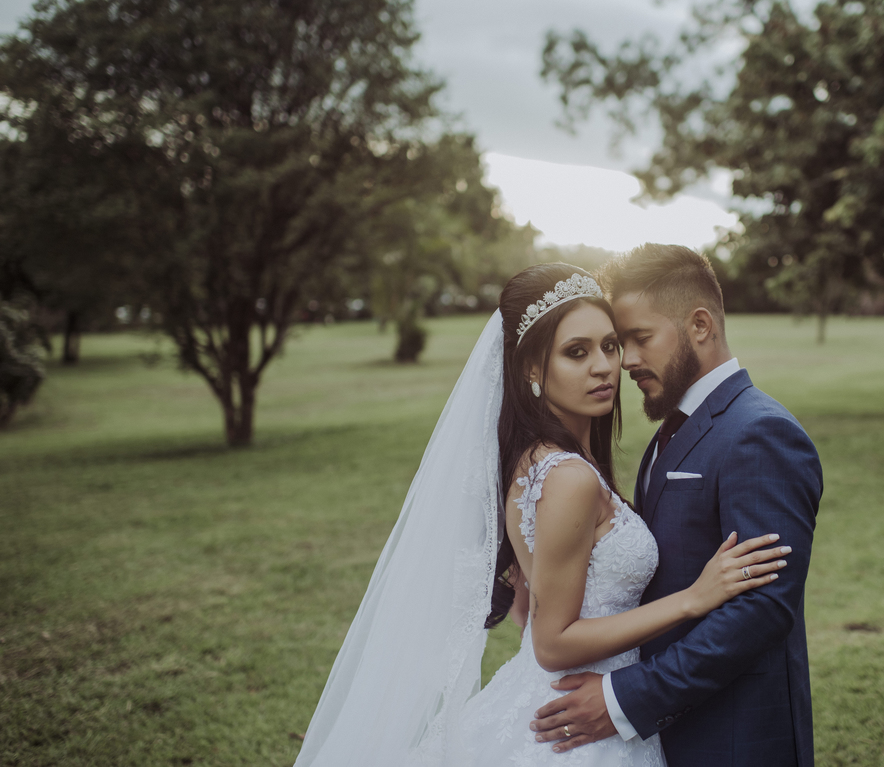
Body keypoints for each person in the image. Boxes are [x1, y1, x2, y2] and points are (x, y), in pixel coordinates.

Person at [293, 263, 789, 767]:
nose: (605, 366)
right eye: (577, 352)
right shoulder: (567, 477)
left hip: (560, 703)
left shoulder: (535, 459)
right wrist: (693, 600)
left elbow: (538, 599)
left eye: (609, 345)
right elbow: (553, 643)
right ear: (531, 369)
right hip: (575, 727)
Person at [528, 245, 823, 767]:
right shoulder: (668, 432)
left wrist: (626, 697)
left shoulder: (761, 433)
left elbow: (763, 608)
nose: (626, 362)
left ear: (701, 325)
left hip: (735, 733)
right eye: (623, 343)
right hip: (668, 733)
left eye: (639, 339)